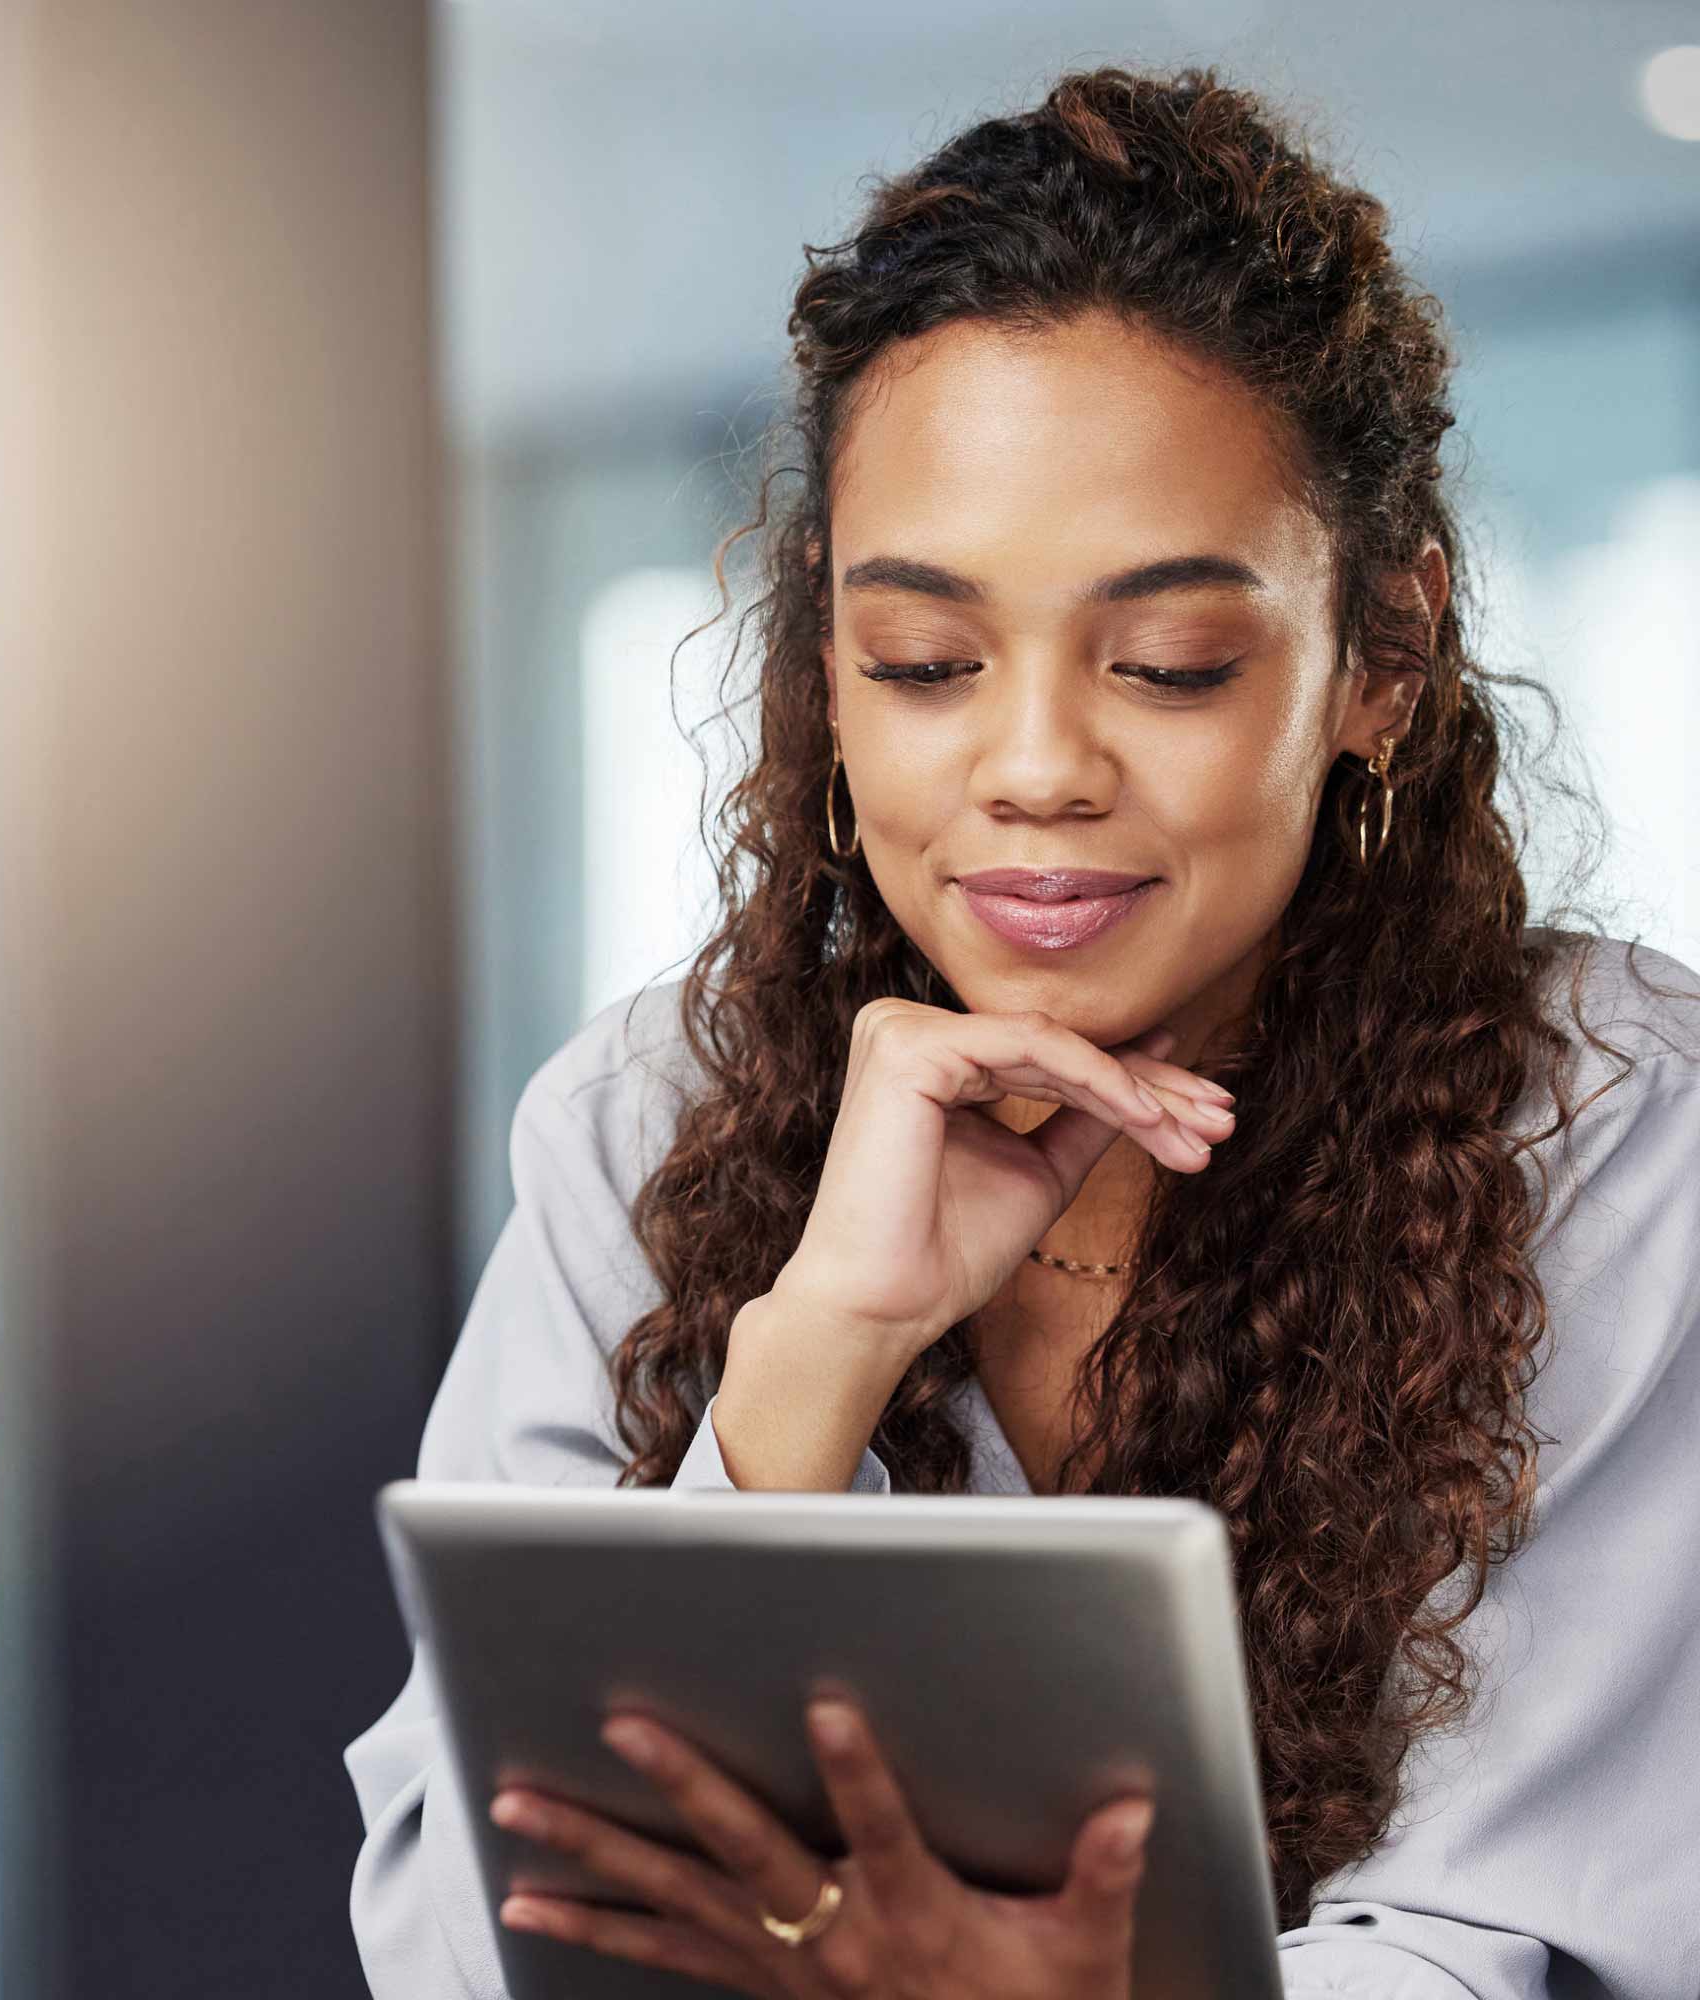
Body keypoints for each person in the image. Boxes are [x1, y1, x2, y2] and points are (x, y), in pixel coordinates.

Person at [344, 63, 1700, 2000]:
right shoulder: (640, 1126)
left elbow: (1547, 1937)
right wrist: (804, 1373)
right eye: (925, 663)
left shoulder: (1623, 1144)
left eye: (1167, 663)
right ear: (829, 661)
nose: (1038, 767)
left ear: (1380, 659)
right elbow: (451, 1938)